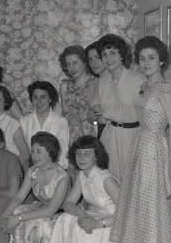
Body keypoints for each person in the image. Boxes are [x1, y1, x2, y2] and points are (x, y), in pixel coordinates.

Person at [110, 36, 171, 243]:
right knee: (145, 205)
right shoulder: (146, 86)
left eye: (152, 57)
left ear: (162, 60)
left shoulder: (166, 87)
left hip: (155, 149)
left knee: (150, 206)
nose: (146, 62)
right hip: (140, 146)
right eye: (142, 58)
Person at [42, 136, 136, 243]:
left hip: (116, 224)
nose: (81, 158)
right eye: (78, 153)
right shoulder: (82, 174)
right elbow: (68, 203)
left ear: (97, 156)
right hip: (99, 215)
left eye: (87, 154)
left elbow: (127, 214)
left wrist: (97, 224)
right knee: (65, 219)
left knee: (81, 229)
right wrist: (81, 213)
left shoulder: (106, 179)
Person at [0, 132, 70, 243]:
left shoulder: (63, 177)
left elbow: (51, 211)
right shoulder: (32, 171)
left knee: (40, 222)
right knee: (18, 209)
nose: (34, 156)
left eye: (38, 151)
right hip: (42, 206)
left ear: (50, 153)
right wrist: (6, 215)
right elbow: (19, 197)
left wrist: (19, 218)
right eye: (32, 151)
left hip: (61, 213)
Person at [95, 34, 145, 180]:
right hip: (110, 136)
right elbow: (102, 117)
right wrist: (96, 118)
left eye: (113, 53)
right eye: (104, 54)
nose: (108, 58)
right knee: (110, 180)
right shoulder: (102, 82)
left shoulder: (139, 79)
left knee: (132, 180)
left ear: (122, 55)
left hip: (132, 136)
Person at [19, 81, 69, 169]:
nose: (39, 101)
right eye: (35, 97)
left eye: (43, 97)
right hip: (32, 168)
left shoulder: (60, 121)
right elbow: (22, 151)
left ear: (50, 99)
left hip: (55, 169)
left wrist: (54, 172)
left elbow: (63, 152)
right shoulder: (24, 121)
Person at [0, 85, 30, 170]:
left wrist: (8, 170)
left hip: (11, 170)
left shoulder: (13, 124)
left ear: (5, 102)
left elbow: (25, 155)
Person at [58, 45, 96, 145]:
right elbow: (64, 111)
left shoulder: (95, 83)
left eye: (75, 63)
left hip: (92, 132)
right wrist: (68, 116)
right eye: (68, 64)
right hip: (72, 135)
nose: (72, 68)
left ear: (84, 62)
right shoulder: (64, 85)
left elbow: (100, 112)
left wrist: (87, 114)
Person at [85, 41, 109, 139]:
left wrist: (107, 112)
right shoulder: (92, 85)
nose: (93, 63)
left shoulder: (118, 81)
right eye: (90, 59)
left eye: (97, 58)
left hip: (120, 132)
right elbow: (95, 121)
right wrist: (92, 119)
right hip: (101, 132)